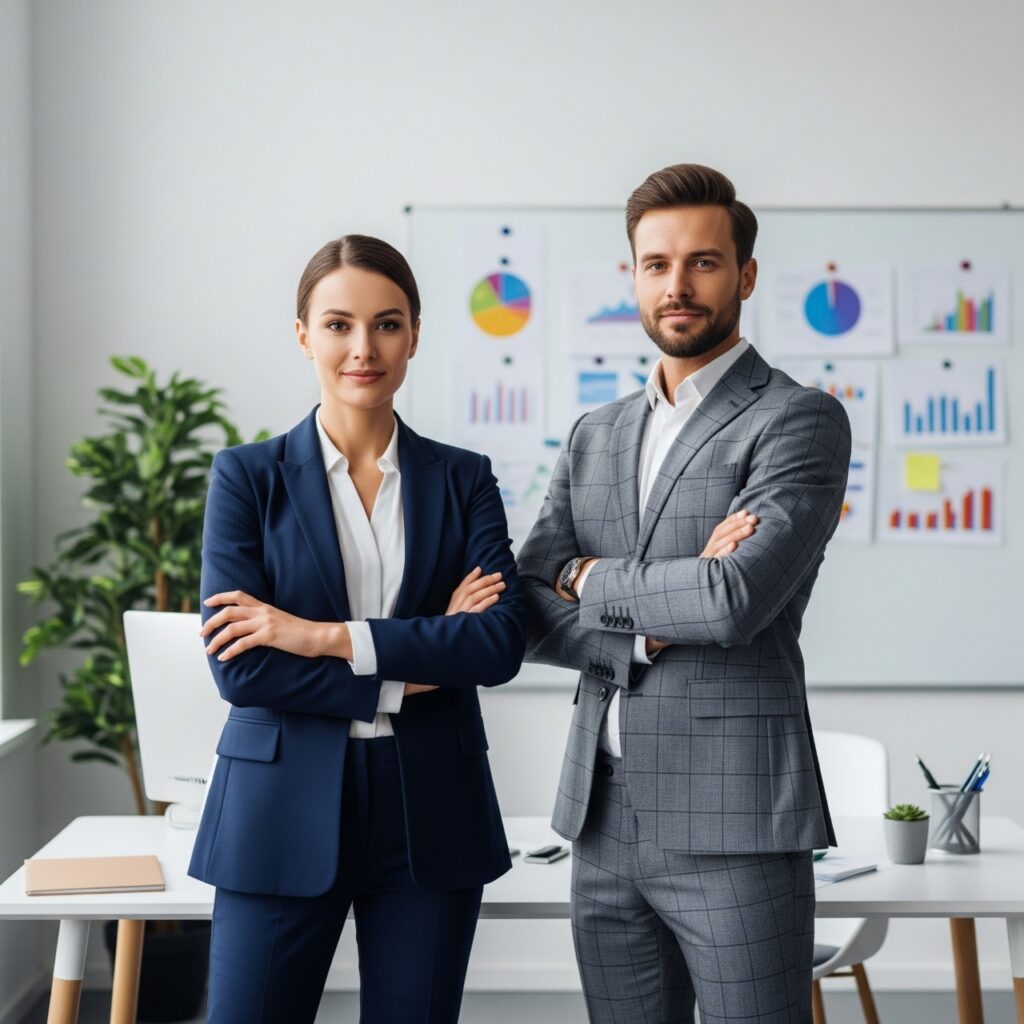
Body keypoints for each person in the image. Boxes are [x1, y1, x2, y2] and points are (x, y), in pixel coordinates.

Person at [516, 164, 851, 1023]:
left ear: (745, 275)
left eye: (703, 262)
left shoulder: (797, 419)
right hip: (601, 819)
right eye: (656, 264)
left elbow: (732, 598)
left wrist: (586, 576)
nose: (678, 285)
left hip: (734, 821)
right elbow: (526, 605)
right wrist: (647, 626)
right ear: (633, 276)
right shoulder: (595, 434)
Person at [187, 234, 526, 1023]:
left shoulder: (464, 478)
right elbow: (241, 668)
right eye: (338, 325)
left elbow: (498, 644)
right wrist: (424, 655)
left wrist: (318, 636)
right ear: (304, 335)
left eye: (387, 324)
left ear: (415, 335)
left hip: (431, 807)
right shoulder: (247, 478)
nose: (363, 349)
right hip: (278, 805)